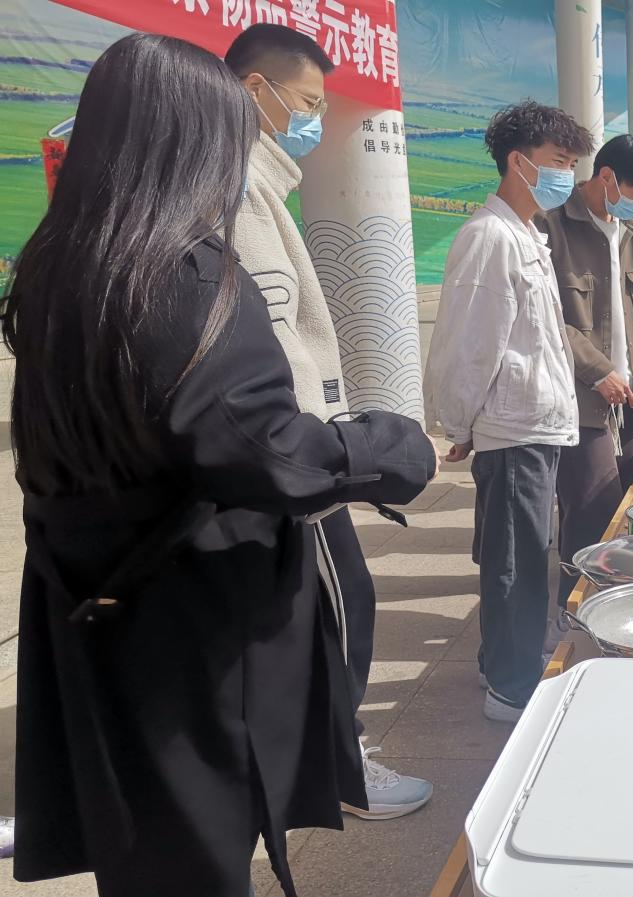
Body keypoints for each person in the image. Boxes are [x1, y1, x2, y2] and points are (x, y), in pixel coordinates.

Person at [3, 33, 437, 897]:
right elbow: (260, 447)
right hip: (188, 617)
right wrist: (382, 446)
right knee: (194, 846)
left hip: (90, 594)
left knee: (142, 833)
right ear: (194, 139)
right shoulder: (183, 271)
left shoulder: (59, 265)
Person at [224, 21, 433, 822]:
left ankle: (323, 760)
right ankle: (342, 767)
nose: (313, 120)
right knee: (342, 608)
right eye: (307, 103)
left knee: (329, 610)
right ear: (255, 90)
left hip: (301, 452)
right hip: (296, 458)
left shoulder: (259, 182)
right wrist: (332, 447)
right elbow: (272, 346)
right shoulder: (237, 190)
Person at [426, 101, 593, 721]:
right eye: (558, 162)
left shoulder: (526, 234)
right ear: (519, 162)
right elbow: (469, 343)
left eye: (572, 164)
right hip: (513, 428)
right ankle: (510, 687)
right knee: (516, 564)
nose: (566, 176)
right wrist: (459, 422)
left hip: (533, 422)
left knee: (522, 555)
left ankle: (502, 663)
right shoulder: (489, 237)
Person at [540, 134, 633, 605]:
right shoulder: (551, 228)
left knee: (625, 507)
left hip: (632, 400)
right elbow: (545, 319)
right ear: (606, 177)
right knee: (591, 512)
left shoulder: (631, 236)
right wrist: (596, 370)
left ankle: (615, 604)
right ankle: (574, 609)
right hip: (582, 401)